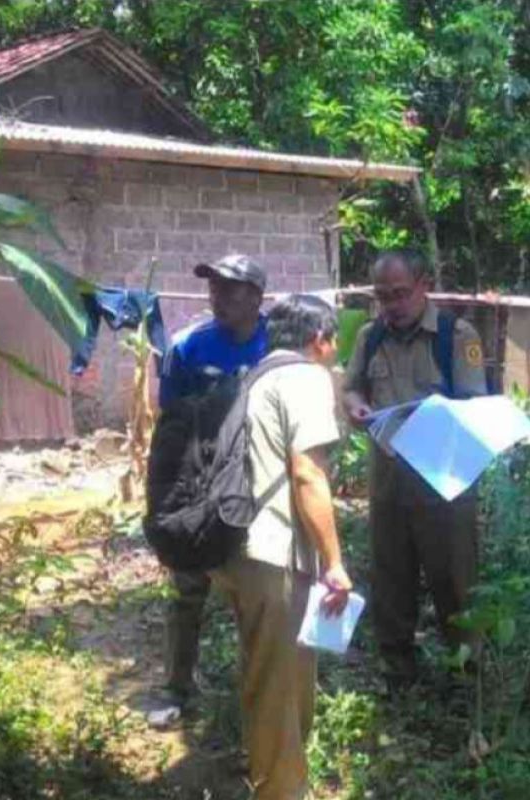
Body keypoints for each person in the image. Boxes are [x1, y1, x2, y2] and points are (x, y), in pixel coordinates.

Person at [211, 293, 352, 800]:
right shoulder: (306, 378)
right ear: (320, 340)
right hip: (272, 552)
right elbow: (308, 474)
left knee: (270, 672)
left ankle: (276, 774)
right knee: (278, 684)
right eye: (334, 342)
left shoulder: (254, 376)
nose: (334, 353)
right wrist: (335, 563)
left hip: (237, 548)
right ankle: (279, 791)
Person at [341, 249, 487, 690]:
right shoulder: (369, 336)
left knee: (455, 580)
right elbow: (351, 387)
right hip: (388, 482)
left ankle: (466, 673)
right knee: (391, 578)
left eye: (401, 294)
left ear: (423, 285)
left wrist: (434, 415)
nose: (392, 304)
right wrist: (356, 407)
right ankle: (397, 672)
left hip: (443, 481)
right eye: (383, 296)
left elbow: (474, 407)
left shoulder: (455, 335)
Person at [151, 253, 268, 726]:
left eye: (231, 288)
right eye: (213, 287)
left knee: (257, 589)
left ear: (257, 297)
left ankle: (257, 696)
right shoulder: (189, 347)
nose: (217, 296)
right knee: (187, 584)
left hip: (261, 476)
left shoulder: (277, 344)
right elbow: (171, 422)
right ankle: (176, 689)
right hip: (202, 475)